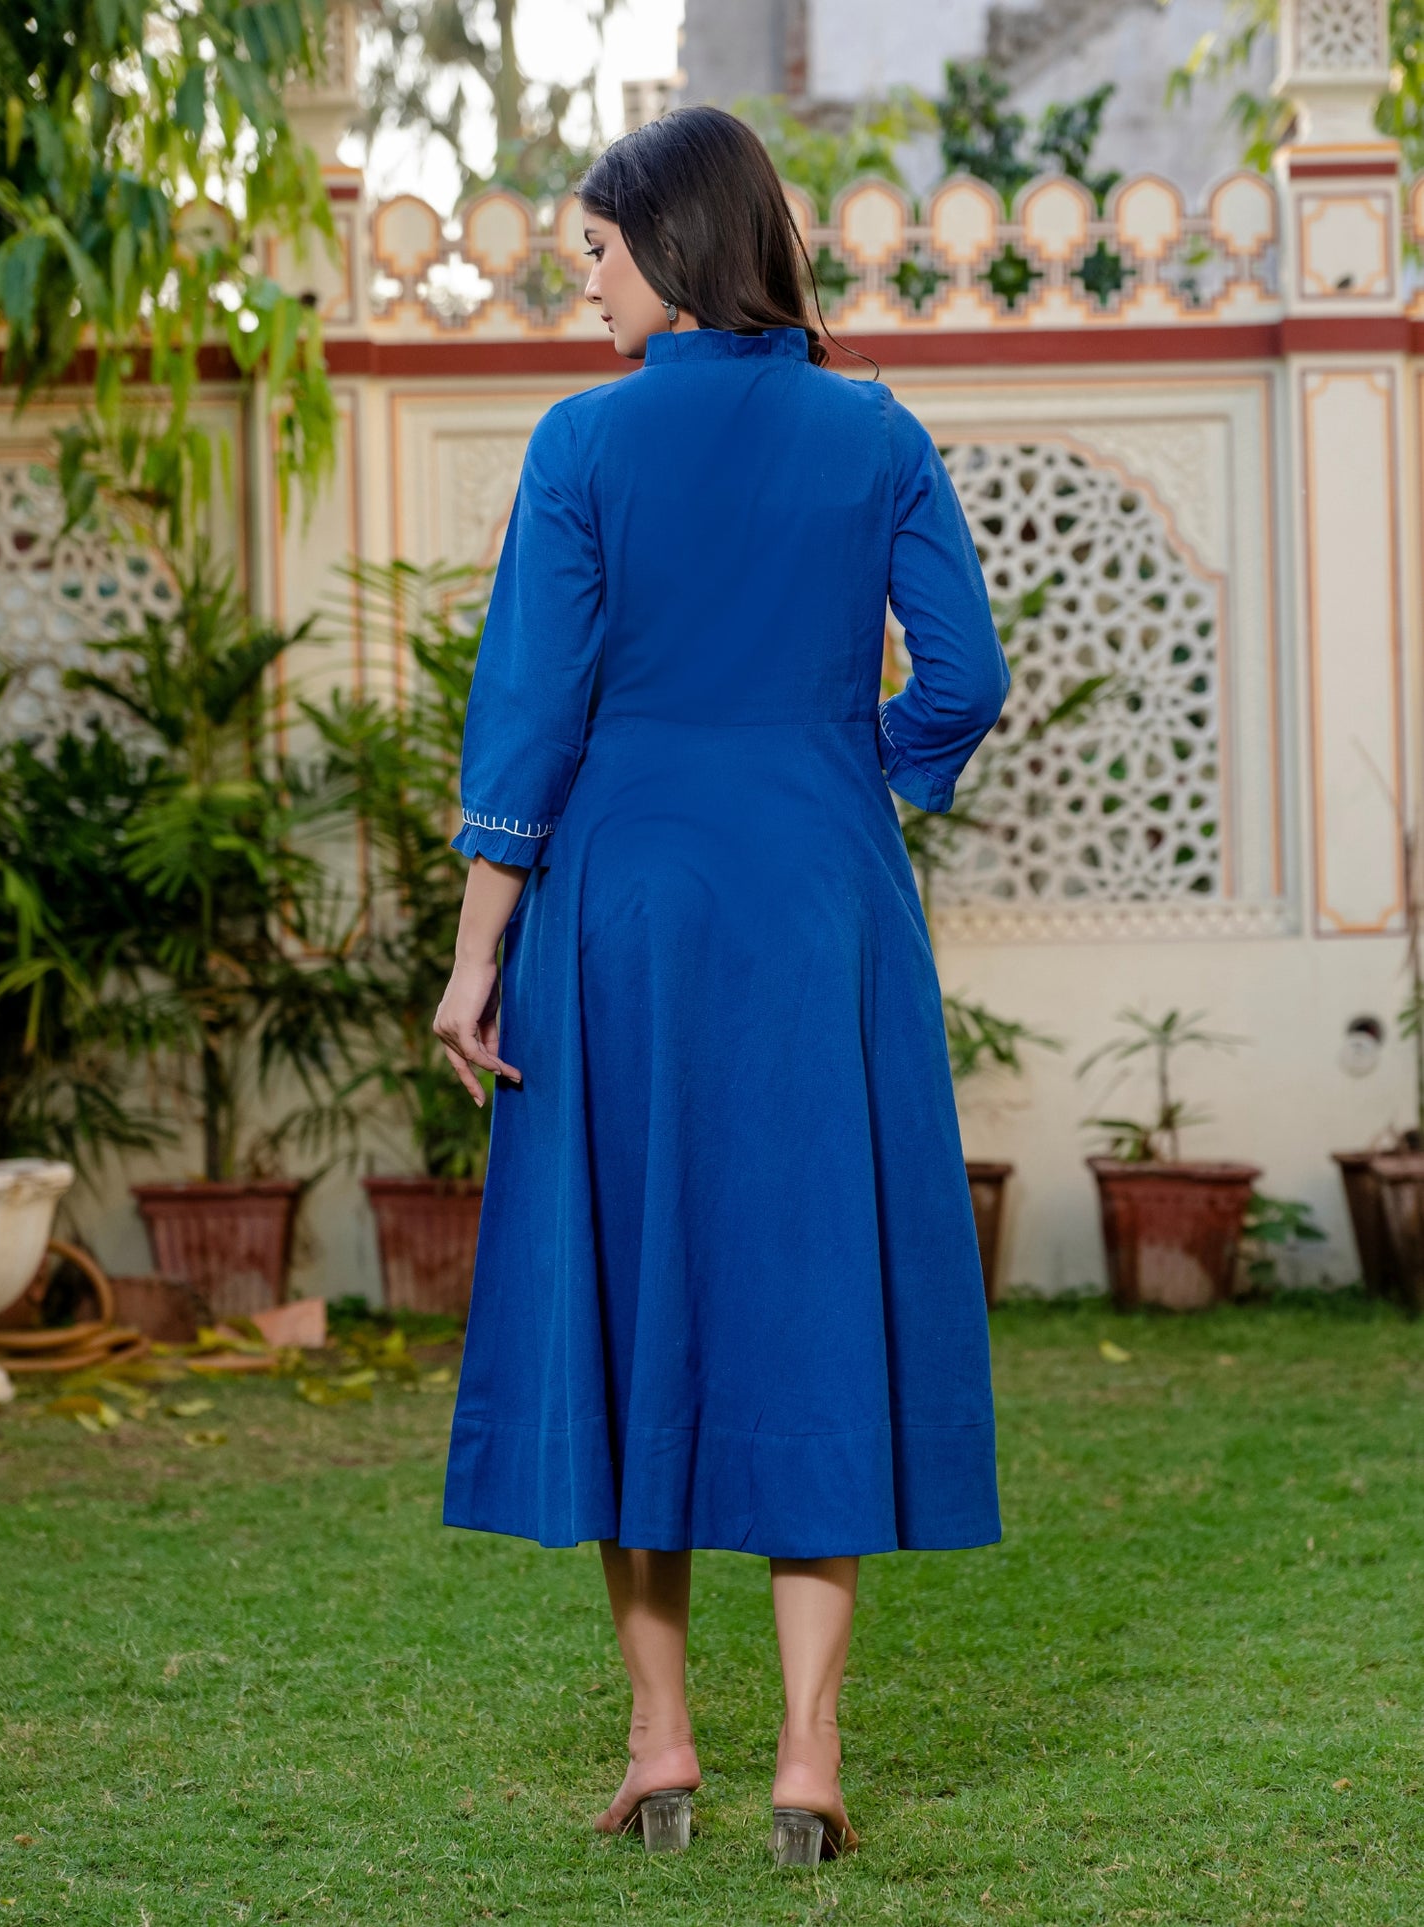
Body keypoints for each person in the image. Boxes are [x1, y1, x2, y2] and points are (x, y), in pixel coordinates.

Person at [432, 103, 1010, 1869]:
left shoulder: (584, 443)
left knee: (635, 1293)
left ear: (670, 249)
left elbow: (530, 715)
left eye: (595, 252)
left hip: (626, 908)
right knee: (812, 1287)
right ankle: (809, 1759)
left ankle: (663, 1741)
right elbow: (965, 680)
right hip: (821, 901)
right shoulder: (873, 431)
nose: (584, 283)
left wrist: (474, 958)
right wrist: (853, 771)